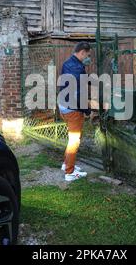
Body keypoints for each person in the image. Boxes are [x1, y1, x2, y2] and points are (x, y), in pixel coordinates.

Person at [58, 42, 92, 182]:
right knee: (74, 141)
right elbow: (79, 95)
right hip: (73, 109)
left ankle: (66, 164)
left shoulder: (68, 63)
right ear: (82, 52)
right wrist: (87, 110)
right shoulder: (78, 68)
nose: (88, 58)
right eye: (88, 55)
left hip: (63, 106)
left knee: (72, 139)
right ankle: (69, 173)